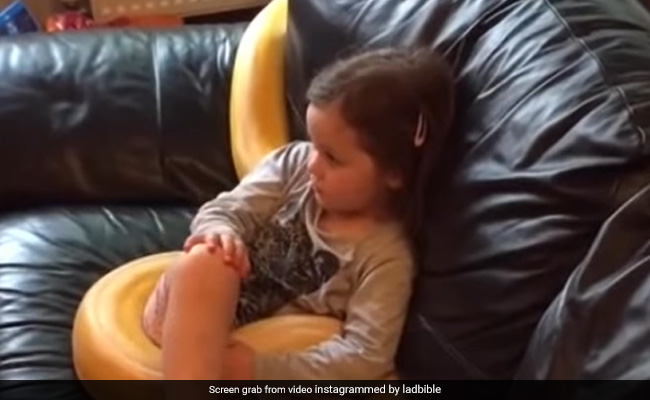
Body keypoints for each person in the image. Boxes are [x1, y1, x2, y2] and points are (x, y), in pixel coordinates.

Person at [141, 46, 456, 380]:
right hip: (180, 322)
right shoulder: (294, 166)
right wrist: (221, 231)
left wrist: (258, 369)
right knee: (209, 258)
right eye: (313, 144)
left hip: (261, 356)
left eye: (332, 157)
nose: (313, 165)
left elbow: (366, 355)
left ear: (395, 173)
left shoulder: (385, 258)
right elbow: (227, 209)